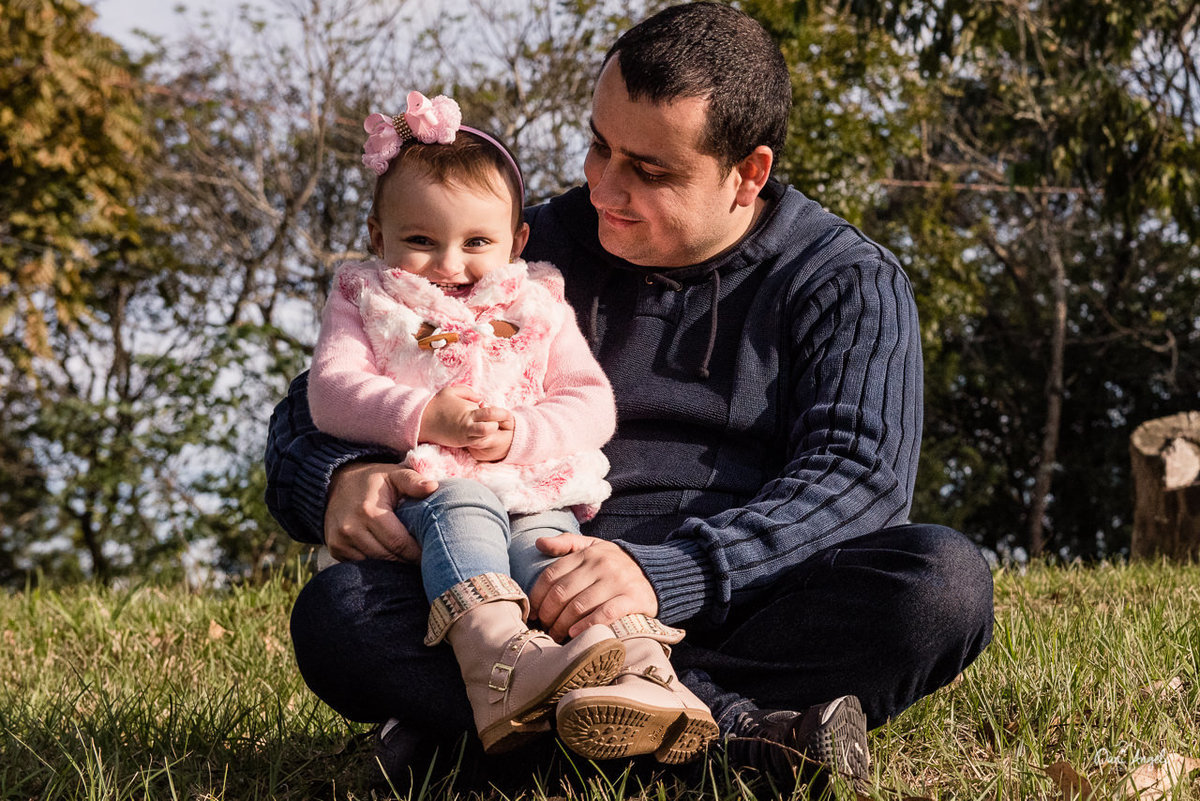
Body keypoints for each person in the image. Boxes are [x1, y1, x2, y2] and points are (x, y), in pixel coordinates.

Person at [266, 0, 994, 789]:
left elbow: (859, 481)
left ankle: (494, 739)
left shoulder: (844, 281)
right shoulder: (512, 248)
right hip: (524, 595)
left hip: (739, 605)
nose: (605, 186)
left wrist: (668, 571)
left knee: (942, 586)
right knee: (342, 613)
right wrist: (334, 477)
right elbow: (319, 398)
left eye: (648, 171)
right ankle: (741, 739)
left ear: (748, 174)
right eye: (599, 146)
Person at [304, 90, 720, 764]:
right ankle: (498, 662)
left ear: (517, 241)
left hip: (531, 486)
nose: (450, 264)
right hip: (429, 488)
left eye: (476, 242)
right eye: (419, 241)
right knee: (463, 508)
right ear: (378, 238)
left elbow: (590, 403)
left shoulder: (536, 302)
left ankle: (643, 673)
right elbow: (330, 392)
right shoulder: (368, 297)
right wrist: (422, 416)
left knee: (561, 560)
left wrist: (520, 434)